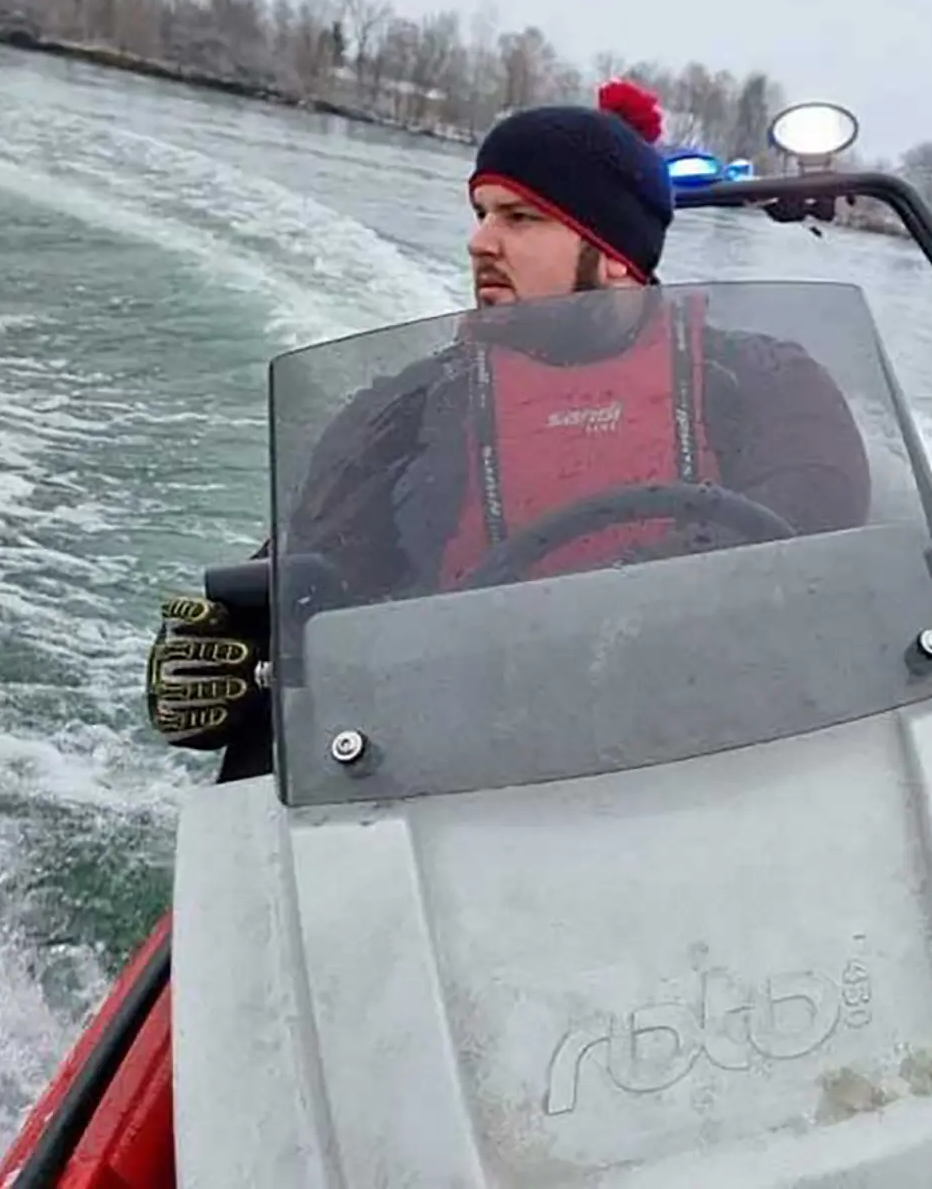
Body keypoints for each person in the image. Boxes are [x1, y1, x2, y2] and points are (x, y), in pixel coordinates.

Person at [144, 80, 872, 765]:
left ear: (615, 256)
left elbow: (811, 567)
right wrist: (226, 659)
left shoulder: (768, 388)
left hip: (722, 759)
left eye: (519, 218)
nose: (480, 241)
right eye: (481, 213)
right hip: (467, 779)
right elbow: (304, 589)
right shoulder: (405, 415)